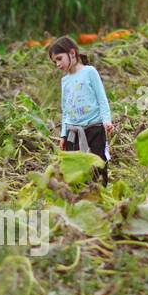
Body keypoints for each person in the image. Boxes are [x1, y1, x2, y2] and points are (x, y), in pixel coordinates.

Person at [48, 36, 114, 186]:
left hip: (94, 129)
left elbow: (102, 99)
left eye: (59, 59)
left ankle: (100, 199)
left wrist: (107, 121)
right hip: (74, 133)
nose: (58, 64)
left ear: (72, 53)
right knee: (76, 173)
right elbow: (66, 110)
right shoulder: (64, 81)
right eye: (55, 62)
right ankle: (80, 201)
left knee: (98, 168)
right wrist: (63, 135)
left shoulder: (89, 72)